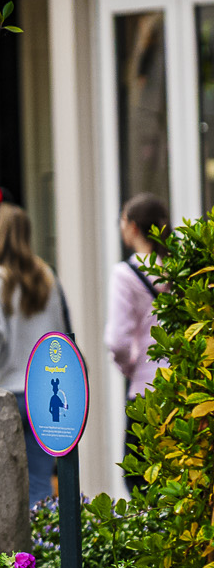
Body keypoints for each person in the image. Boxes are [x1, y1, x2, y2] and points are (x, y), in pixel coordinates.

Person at [0, 195, 72, 509]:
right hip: (46, 393)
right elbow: (59, 338)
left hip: (5, 394)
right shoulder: (47, 277)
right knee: (40, 486)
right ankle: (45, 553)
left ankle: (14, 558)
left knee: (1, 491)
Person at [105, 193, 168, 459]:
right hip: (182, 386)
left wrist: (131, 366)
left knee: (139, 477)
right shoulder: (177, 268)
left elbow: (118, 341)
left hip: (146, 389)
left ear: (132, 226)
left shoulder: (125, 274)